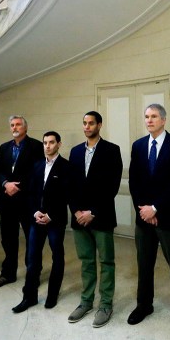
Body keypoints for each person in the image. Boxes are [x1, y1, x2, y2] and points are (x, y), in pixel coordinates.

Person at [128, 103, 170, 336]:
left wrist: (155, 208)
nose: (149, 120)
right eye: (146, 116)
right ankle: (144, 305)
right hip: (143, 219)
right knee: (144, 265)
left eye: (154, 116)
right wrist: (144, 211)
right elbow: (134, 182)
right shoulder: (138, 146)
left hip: (168, 218)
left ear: (164, 120)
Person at [67, 111, 123, 328]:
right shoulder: (74, 151)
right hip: (79, 218)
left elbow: (112, 186)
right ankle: (86, 301)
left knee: (106, 261)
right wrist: (76, 211)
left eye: (91, 123)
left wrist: (93, 212)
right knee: (86, 262)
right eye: (84, 123)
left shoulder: (111, 150)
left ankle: (106, 304)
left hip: (101, 217)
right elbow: (70, 185)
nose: (87, 126)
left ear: (99, 125)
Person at [13, 131, 71, 313]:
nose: (47, 146)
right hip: (36, 220)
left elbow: (65, 196)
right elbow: (30, 193)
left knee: (57, 257)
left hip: (55, 220)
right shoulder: (36, 165)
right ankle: (28, 297)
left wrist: (50, 215)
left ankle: (52, 295)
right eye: (45, 142)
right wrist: (35, 212)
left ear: (59, 144)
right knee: (32, 259)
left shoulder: (66, 167)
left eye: (51, 142)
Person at [0, 115, 43, 289]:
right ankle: (8, 273)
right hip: (7, 201)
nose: (14, 127)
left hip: (27, 200)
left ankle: (33, 273)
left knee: (31, 238)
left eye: (18, 124)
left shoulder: (36, 146)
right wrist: (5, 183)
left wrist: (18, 186)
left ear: (25, 128)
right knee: (8, 239)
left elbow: (39, 171)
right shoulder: (4, 147)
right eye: (12, 125)